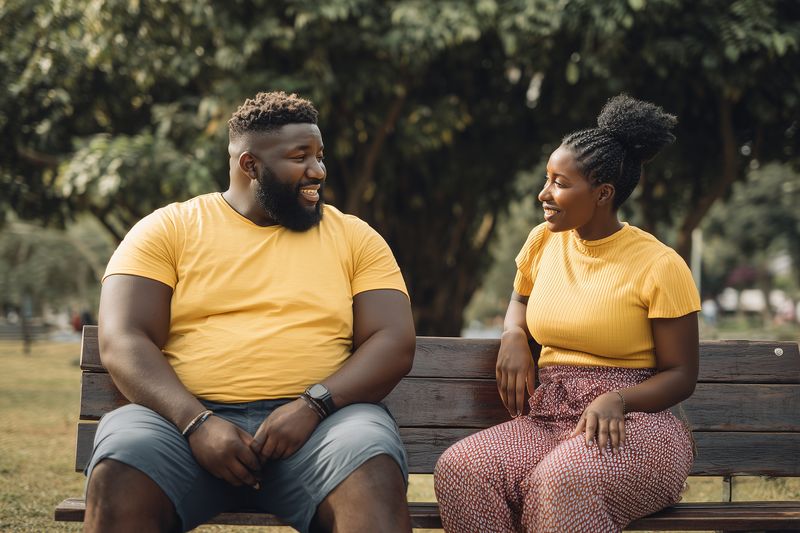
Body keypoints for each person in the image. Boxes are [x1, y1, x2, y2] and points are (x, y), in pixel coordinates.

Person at [83, 91, 416, 533]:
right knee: (121, 465)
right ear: (249, 165)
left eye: (319, 155)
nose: (318, 170)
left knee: (370, 458)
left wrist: (313, 406)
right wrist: (196, 422)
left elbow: (393, 341)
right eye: (300, 157)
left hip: (324, 427)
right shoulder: (168, 229)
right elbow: (123, 339)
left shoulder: (356, 237)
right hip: (179, 424)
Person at [434, 95, 700, 532]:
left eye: (560, 183)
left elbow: (681, 375)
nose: (544, 194)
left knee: (562, 481)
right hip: (549, 414)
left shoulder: (660, 264)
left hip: (633, 423)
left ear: (602, 194)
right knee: (462, 469)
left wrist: (618, 398)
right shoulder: (543, 241)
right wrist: (513, 335)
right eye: (547, 179)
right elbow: (519, 301)